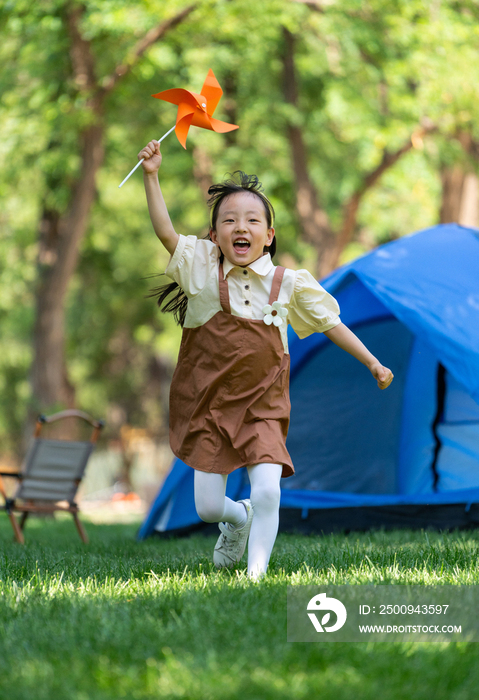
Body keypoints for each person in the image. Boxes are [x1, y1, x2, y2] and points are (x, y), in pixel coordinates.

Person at [139, 139, 394, 579]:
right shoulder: (199, 267)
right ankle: (236, 518)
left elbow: (331, 323)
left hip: (262, 406)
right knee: (205, 508)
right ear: (215, 235)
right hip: (209, 405)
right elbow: (165, 231)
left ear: (268, 236)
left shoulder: (287, 283)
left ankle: (254, 576)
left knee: (269, 492)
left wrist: (372, 361)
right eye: (230, 220)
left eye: (253, 220)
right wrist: (151, 175)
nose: (241, 226)